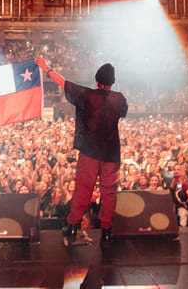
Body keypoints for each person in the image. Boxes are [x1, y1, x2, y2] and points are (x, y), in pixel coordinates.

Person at [35, 57, 127, 245]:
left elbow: (63, 83)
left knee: (83, 189)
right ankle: (107, 230)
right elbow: (123, 112)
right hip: (111, 153)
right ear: (112, 82)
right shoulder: (119, 99)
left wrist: (47, 68)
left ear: (96, 80)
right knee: (109, 192)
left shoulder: (87, 95)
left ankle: (73, 224)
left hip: (90, 151)